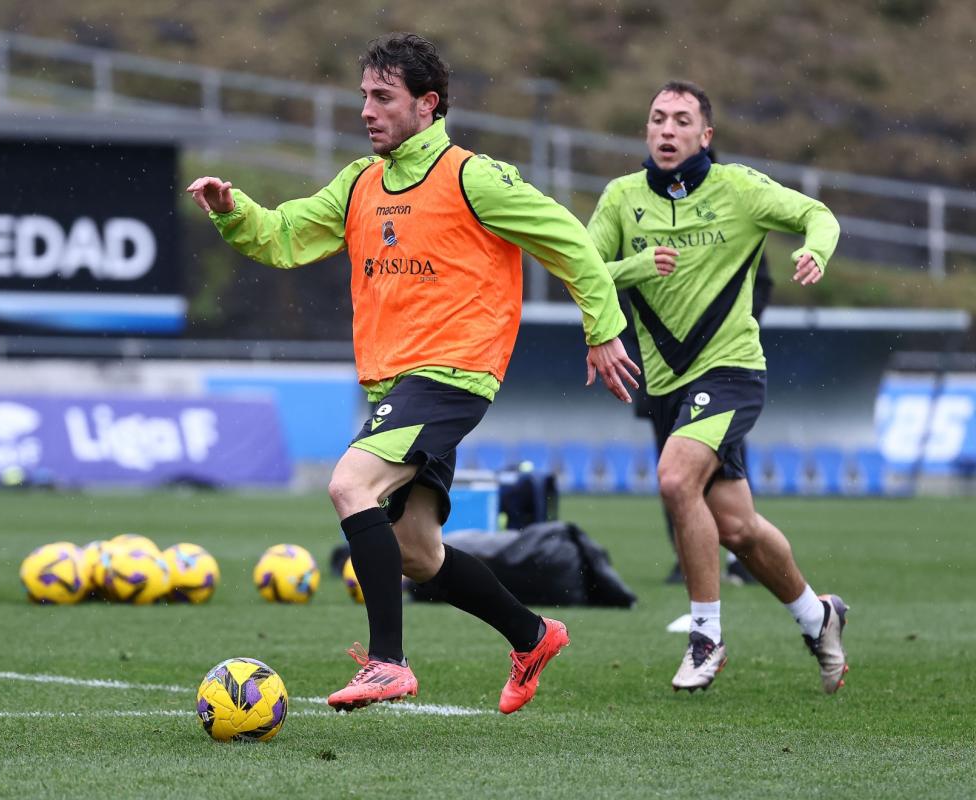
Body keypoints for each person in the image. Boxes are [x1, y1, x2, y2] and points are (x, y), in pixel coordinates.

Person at [188, 33, 638, 714]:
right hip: (392, 386)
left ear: (427, 105)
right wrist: (232, 211)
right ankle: (532, 633)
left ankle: (387, 662)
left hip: (453, 372)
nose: (367, 110)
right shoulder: (360, 182)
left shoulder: (472, 176)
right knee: (418, 552)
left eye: (383, 97)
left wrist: (603, 329)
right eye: (364, 95)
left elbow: (569, 240)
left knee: (349, 484)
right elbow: (285, 236)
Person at [586, 80, 849, 693]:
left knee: (676, 478)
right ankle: (819, 616)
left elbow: (817, 214)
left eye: (681, 120)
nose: (667, 130)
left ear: (706, 136)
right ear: (646, 132)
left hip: (731, 370)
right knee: (736, 527)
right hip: (670, 385)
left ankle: (705, 636)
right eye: (657, 119)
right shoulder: (622, 199)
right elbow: (584, 269)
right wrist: (634, 267)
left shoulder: (739, 189)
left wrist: (817, 249)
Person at [622, 147, 771, 587]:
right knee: (669, 468)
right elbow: (599, 275)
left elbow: (758, 285)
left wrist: (720, 331)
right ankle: (686, 556)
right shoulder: (633, 210)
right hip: (658, 371)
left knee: (717, 465)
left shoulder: (733, 211)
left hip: (719, 369)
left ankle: (740, 561)